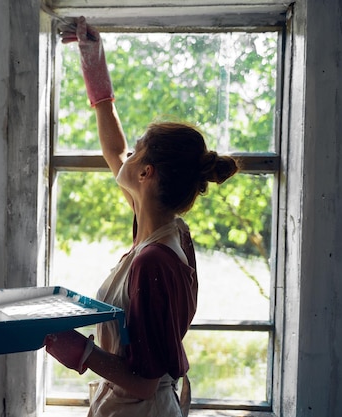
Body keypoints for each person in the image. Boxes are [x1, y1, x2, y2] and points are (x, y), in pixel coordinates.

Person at [44, 17, 239, 417]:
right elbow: (114, 150)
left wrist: (82, 351)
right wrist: (94, 67)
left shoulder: (154, 260)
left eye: (136, 153)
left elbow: (144, 380)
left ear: (146, 174)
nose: (125, 157)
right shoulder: (166, 230)